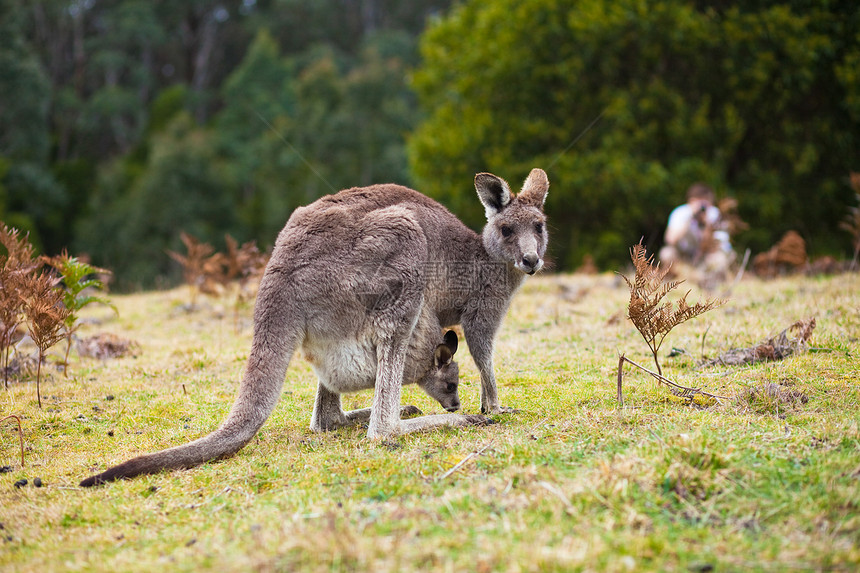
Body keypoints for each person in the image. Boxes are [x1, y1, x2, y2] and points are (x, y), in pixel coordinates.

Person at [660, 183, 733, 272]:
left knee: (719, 259)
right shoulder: (680, 213)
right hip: (683, 256)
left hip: (706, 257)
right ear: (691, 201)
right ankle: (676, 277)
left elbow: (718, 246)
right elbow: (670, 240)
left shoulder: (715, 214)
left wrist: (706, 224)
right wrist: (690, 218)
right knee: (667, 253)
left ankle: (708, 280)